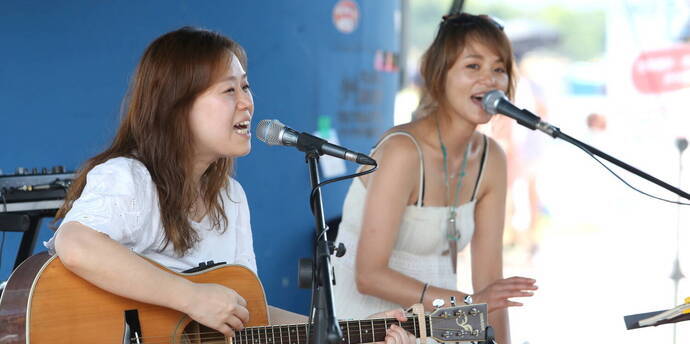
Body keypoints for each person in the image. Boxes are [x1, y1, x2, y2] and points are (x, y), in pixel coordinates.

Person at [47, 26, 414, 344]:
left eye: (246, 87)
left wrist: (347, 332)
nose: (247, 104)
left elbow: (248, 314)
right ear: (177, 106)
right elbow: (75, 242)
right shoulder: (130, 177)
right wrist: (190, 297)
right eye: (229, 91)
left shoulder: (230, 198)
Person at [332, 13, 537, 344]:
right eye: (473, 66)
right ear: (438, 75)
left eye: (499, 69)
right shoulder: (403, 152)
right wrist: (464, 304)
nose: (490, 80)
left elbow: (490, 284)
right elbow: (368, 275)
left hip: (437, 325)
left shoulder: (491, 159)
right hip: (365, 325)